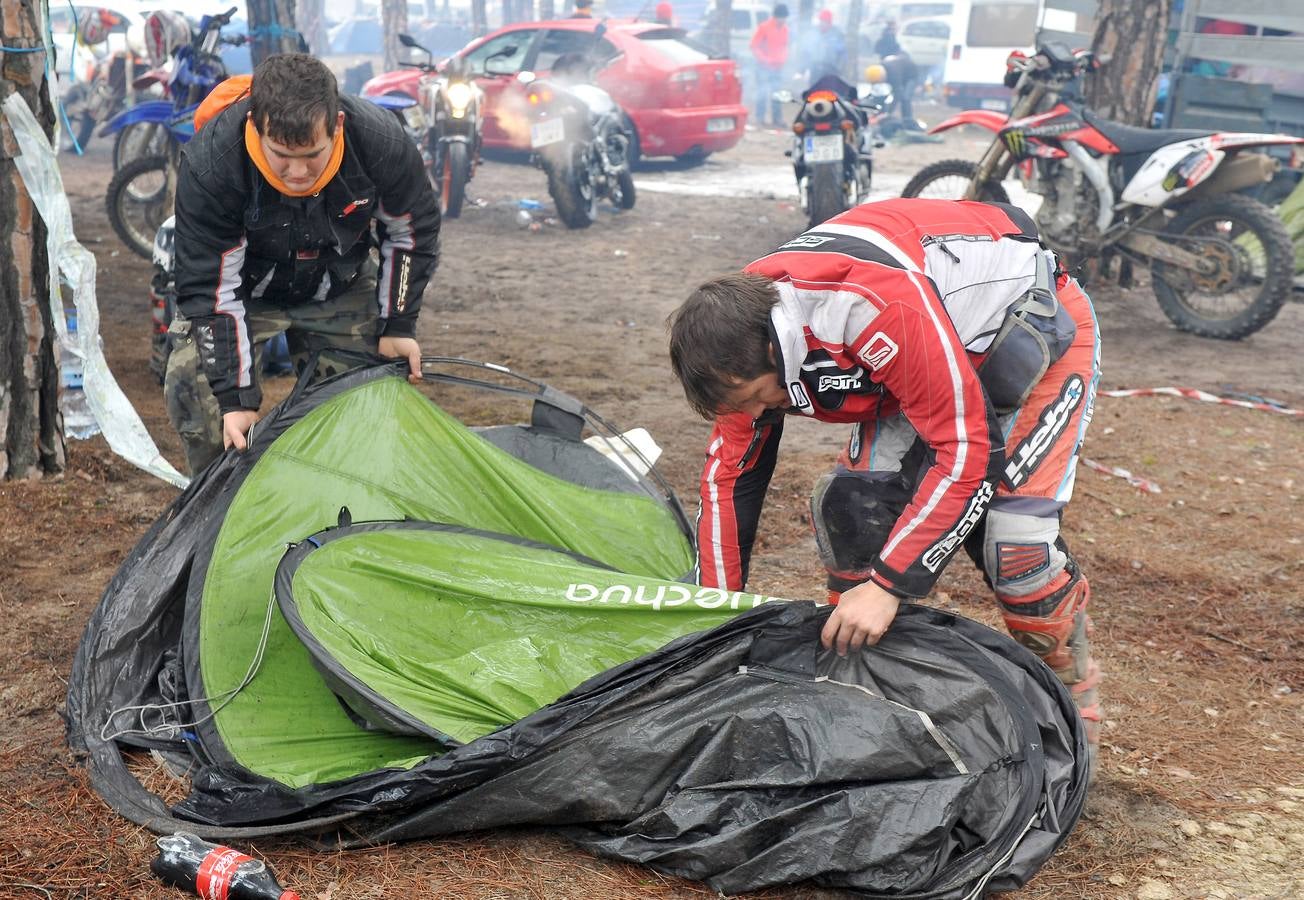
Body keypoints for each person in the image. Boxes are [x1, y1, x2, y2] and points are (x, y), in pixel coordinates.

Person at [668, 198, 1102, 770]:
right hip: (916, 357)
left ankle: (1076, 728)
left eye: (756, 397)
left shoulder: (870, 309)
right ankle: (862, 703)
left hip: (1028, 331)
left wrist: (889, 586)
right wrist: (714, 616)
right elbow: (729, 484)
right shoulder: (733, 342)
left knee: (1016, 548)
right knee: (853, 512)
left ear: (775, 349)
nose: (758, 411)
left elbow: (966, 450)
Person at [165, 53, 440, 475]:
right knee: (201, 397)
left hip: (338, 283)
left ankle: (339, 510)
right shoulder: (213, 163)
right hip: (242, 292)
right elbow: (211, 286)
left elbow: (411, 232)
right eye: (281, 155)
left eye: (312, 154)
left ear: (338, 125)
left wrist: (398, 324)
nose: (297, 173)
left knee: (364, 409)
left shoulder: (381, 143)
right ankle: (220, 512)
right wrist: (235, 399)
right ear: (256, 126)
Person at [749, 3, 789, 128]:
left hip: (777, 68)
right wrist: (764, 59)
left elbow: (785, 47)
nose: (782, 20)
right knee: (762, 92)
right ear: (775, 17)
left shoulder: (785, 30)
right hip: (763, 67)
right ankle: (759, 118)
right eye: (781, 17)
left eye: (784, 18)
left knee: (776, 93)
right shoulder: (764, 27)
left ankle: (777, 119)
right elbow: (754, 46)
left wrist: (783, 58)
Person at [799, 9, 847, 84]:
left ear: (829, 22)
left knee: (827, 93)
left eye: (825, 21)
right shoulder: (813, 33)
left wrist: (839, 69)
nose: (823, 24)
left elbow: (842, 53)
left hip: (830, 70)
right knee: (814, 91)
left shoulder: (837, 35)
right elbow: (806, 52)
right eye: (821, 21)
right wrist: (803, 69)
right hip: (815, 69)